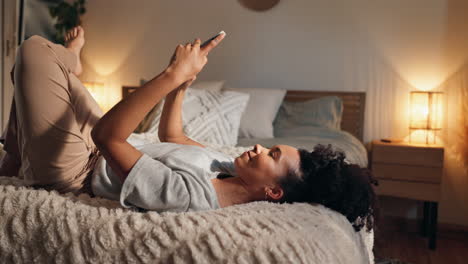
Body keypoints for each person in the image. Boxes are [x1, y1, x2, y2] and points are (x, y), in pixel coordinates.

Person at [0, 26, 378, 232]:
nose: (261, 147)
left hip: (78, 168)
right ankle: (19, 153)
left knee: (33, 51)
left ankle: (69, 67)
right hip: (97, 147)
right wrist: (183, 86)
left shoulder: (193, 196)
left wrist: (169, 76)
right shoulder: (226, 167)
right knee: (35, 78)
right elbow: (173, 138)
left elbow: (107, 137)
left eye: (272, 155)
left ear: (273, 191)